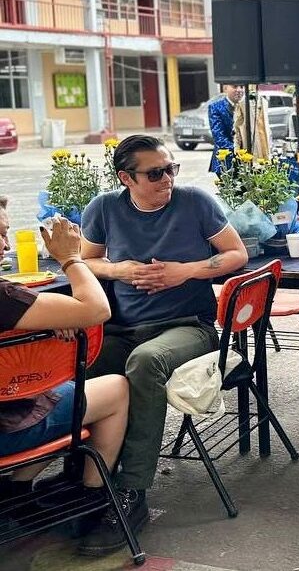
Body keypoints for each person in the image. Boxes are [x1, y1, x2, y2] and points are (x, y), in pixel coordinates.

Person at [79, 135, 248, 554]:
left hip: (188, 325)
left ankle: (132, 491)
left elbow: (236, 254)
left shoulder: (195, 202)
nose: (167, 179)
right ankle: (83, 480)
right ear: (126, 177)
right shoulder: (104, 208)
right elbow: (86, 260)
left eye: (171, 169)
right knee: (80, 367)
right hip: (123, 327)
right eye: (155, 173)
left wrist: (185, 272)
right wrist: (117, 271)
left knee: (146, 362)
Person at [0, 206, 132, 555]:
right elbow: (97, 310)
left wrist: (49, 312)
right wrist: (73, 258)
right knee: (116, 387)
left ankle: (18, 489)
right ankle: (92, 498)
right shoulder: (5, 299)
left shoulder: (11, 301)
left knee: (50, 393)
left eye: (6, 232)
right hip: (7, 432)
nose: (5, 245)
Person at [208, 83, 243, 175]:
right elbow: (219, 137)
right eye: (235, 86)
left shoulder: (247, 107)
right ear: (225, 88)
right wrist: (239, 151)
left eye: (242, 87)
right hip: (225, 162)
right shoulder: (215, 107)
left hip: (246, 162)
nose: (239, 90)